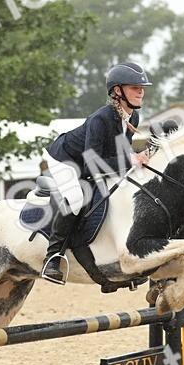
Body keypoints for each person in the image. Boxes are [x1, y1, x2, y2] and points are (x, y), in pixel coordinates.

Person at [40, 61, 152, 284]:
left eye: (141, 88)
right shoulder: (100, 119)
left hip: (90, 160)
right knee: (76, 198)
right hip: (65, 159)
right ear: (117, 91)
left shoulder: (133, 118)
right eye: (134, 88)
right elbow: (92, 165)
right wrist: (131, 159)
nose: (140, 92)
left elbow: (118, 153)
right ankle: (52, 258)